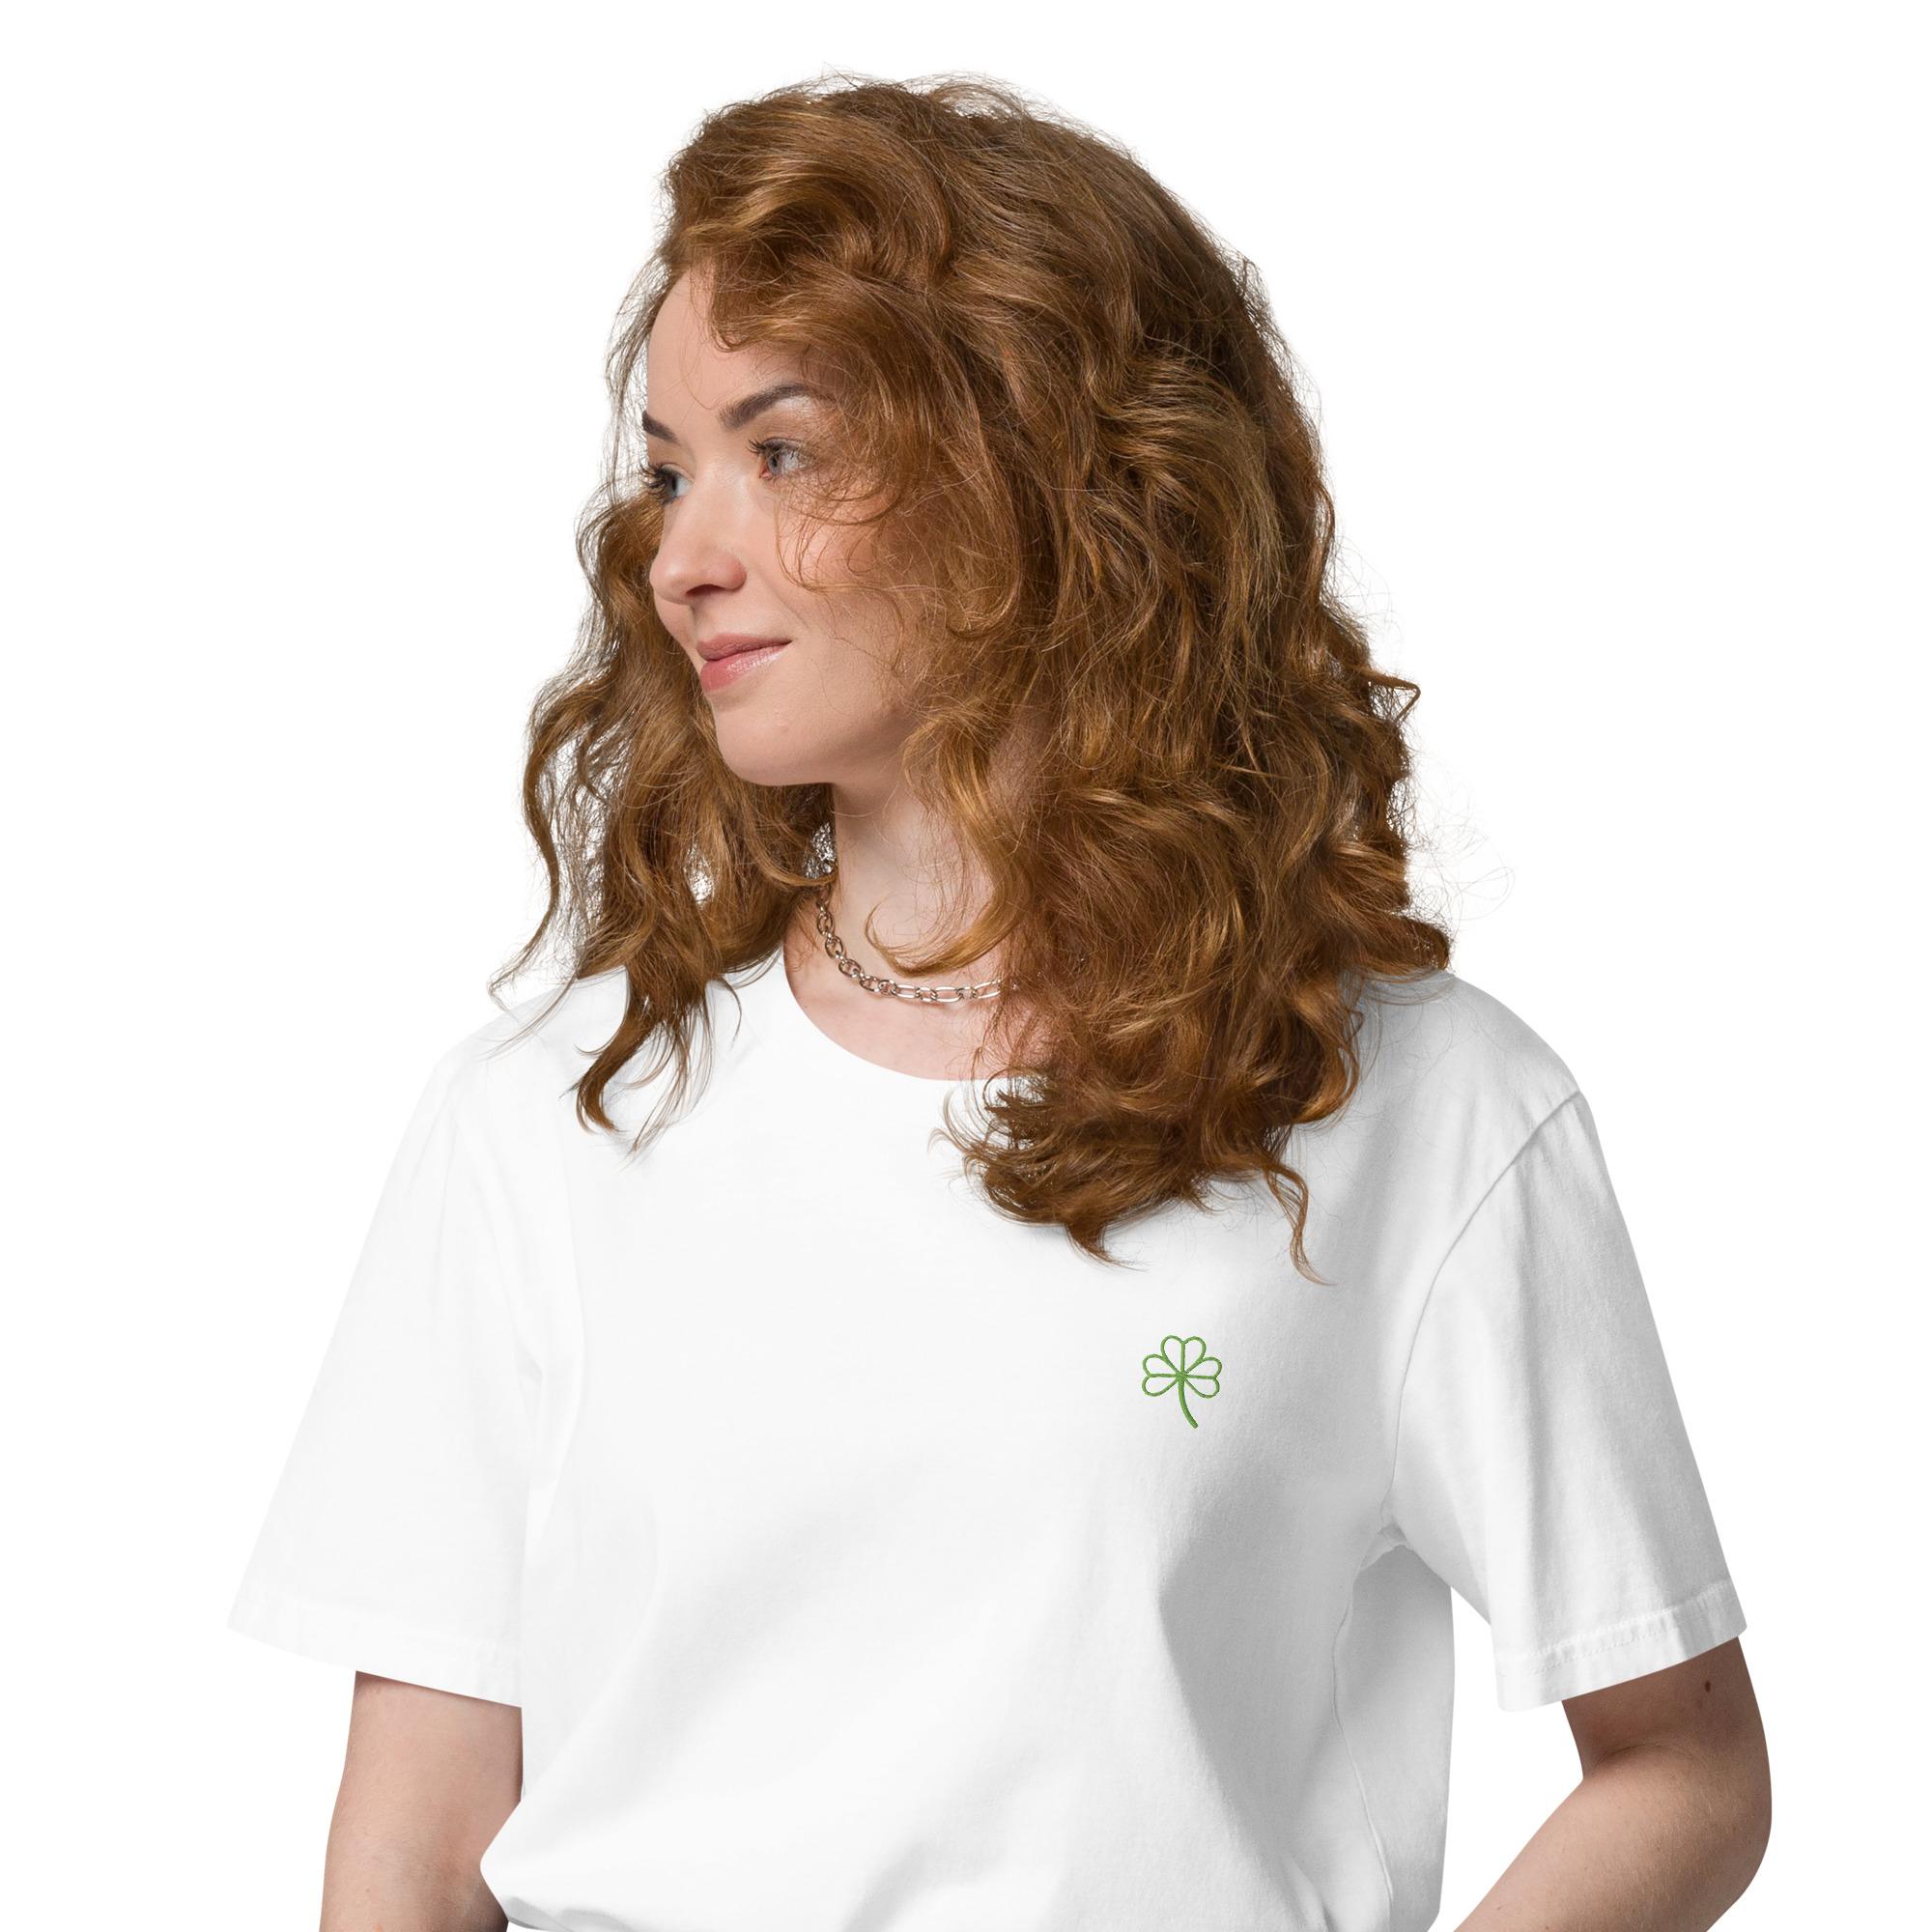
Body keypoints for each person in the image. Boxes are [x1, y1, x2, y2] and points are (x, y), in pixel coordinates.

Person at [227, 72, 1770, 1932]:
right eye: (669, 470)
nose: (684, 555)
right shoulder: (551, 1117)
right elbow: (413, 1850)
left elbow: (1684, 1766)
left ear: (1046, 479)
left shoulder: (1422, 1109)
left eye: (785, 454)